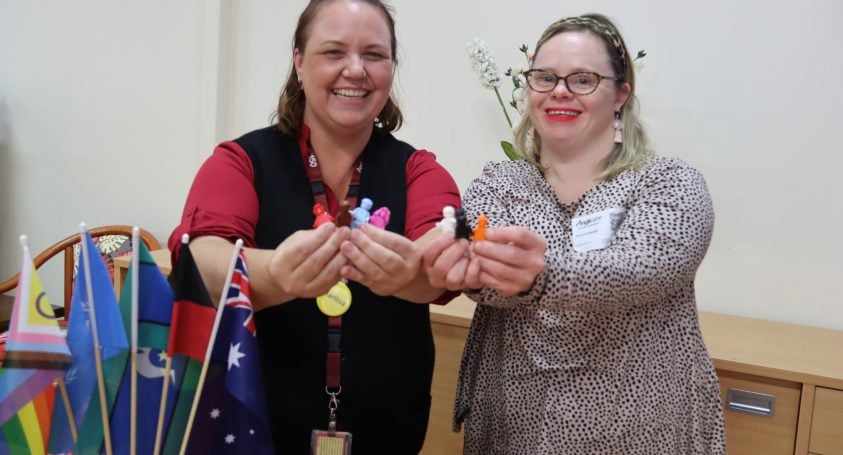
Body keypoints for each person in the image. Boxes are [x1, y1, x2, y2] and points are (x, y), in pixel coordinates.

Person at [423, 13, 726, 454]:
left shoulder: (670, 182)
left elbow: (646, 268)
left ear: (621, 93)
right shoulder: (500, 184)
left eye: (583, 79)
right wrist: (449, 263)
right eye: (544, 77)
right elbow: (480, 278)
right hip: (514, 428)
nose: (559, 91)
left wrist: (539, 275)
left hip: (640, 430)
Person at [168, 0, 460, 453]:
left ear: (391, 68)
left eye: (374, 54)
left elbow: (442, 246)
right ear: (299, 63)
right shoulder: (240, 161)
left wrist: (414, 271)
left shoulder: (418, 169)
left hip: (388, 431)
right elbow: (200, 258)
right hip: (253, 426)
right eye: (334, 52)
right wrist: (273, 272)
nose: (356, 69)